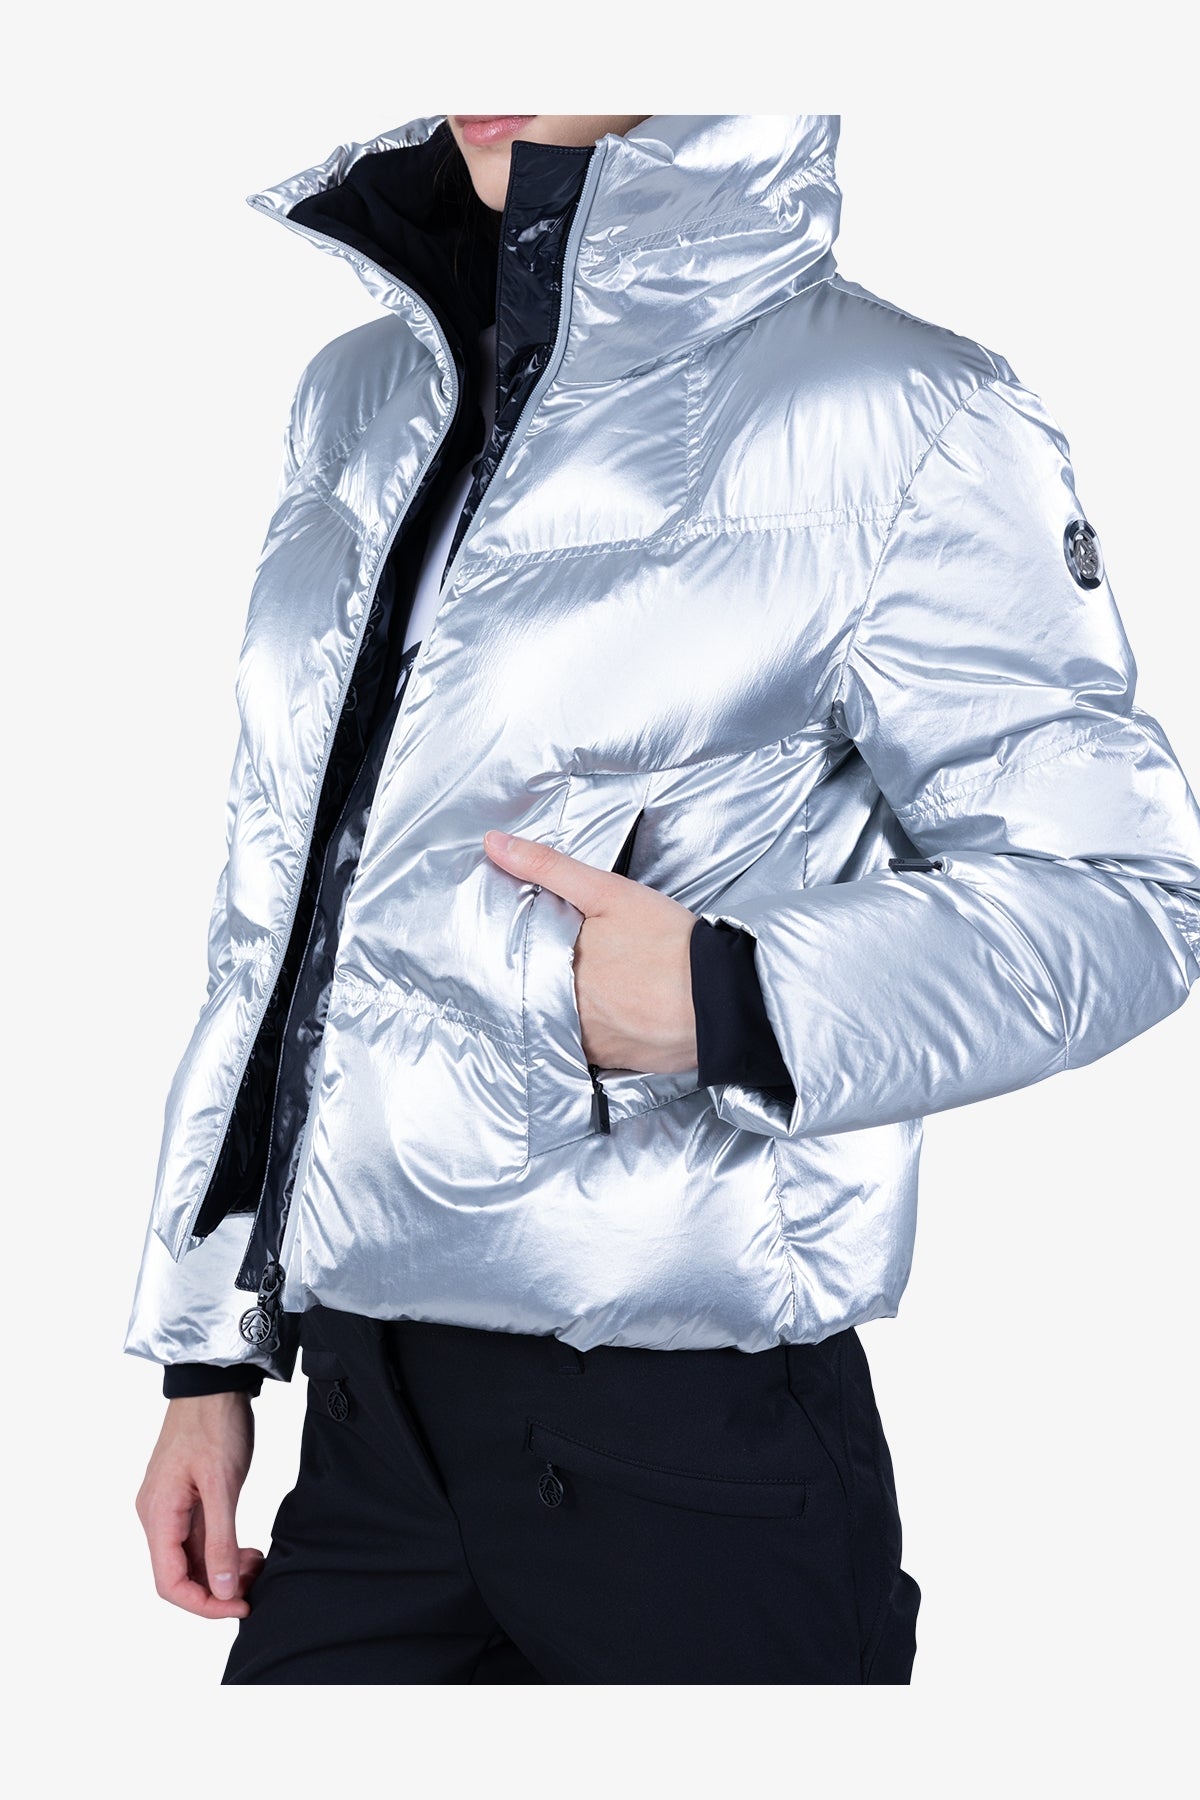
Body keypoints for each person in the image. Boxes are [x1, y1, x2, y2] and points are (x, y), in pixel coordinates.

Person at [129, 112, 1200, 1686]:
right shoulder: (362, 396)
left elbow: (1125, 896)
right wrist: (206, 1351)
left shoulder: (910, 413)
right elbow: (276, 906)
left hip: (690, 1454)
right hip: (367, 1432)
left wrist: (730, 996)